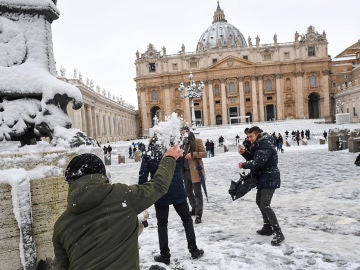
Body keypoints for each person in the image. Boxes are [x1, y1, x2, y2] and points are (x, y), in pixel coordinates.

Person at [52, 148, 182, 270]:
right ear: (101, 174)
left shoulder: (60, 226)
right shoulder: (122, 195)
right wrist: (169, 158)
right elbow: (158, 186)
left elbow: (63, 266)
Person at [138, 137, 204, 265]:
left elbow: (142, 177)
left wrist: (144, 195)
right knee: (186, 219)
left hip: (159, 191)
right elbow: (184, 166)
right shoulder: (175, 151)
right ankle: (193, 250)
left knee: (162, 224)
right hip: (177, 190)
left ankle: (165, 255)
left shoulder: (148, 154)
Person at [238, 126, 285, 246]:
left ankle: (278, 233)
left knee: (265, 204)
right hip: (263, 177)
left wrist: (244, 164)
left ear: (257, 134)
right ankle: (267, 226)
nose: (249, 139)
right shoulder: (259, 143)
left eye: (251, 136)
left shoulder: (265, 144)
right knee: (259, 201)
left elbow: (259, 162)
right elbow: (255, 158)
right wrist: (245, 154)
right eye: (248, 137)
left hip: (270, 177)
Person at [180, 126, 207, 224]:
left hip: (195, 171)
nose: (182, 134)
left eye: (183, 132)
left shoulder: (197, 141)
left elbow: (204, 153)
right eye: (181, 133)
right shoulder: (182, 144)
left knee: (197, 194)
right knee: (188, 192)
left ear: (188, 132)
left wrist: (192, 154)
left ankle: (198, 214)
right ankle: (194, 208)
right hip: (185, 171)